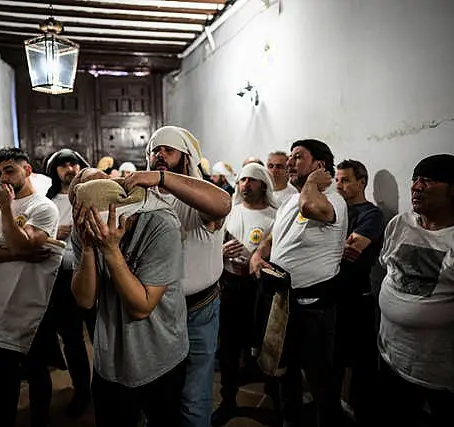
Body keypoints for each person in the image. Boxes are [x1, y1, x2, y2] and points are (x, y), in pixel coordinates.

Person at [377, 154, 454, 427]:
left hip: (450, 377)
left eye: (428, 179)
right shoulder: (399, 224)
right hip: (393, 360)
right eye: (415, 178)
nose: (416, 186)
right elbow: (389, 269)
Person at [125, 125, 232, 427]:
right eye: (155, 151)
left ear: (186, 158)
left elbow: (222, 204)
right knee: (155, 389)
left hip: (197, 310)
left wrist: (161, 178)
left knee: (194, 396)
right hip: (155, 312)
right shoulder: (143, 201)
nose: (159, 156)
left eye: (167, 151)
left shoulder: (199, 198)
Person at [71, 176, 189, 427]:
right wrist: (89, 248)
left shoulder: (161, 226)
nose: (100, 229)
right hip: (111, 357)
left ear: (129, 213)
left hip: (159, 354)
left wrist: (111, 250)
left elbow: (141, 307)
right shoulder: (85, 225)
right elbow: (84, 300)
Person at [250, 139, 347, 427]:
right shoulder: (290, 199)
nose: (290, 163)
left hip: (313, 306)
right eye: (290, 157)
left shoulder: (333, 200)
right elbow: (274, 235)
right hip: (283, 299)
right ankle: (290, 420)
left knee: (319, 377)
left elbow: (310, 207)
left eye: (297, 158)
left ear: (319, 165)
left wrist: (314, 182)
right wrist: (258, 253)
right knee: (284, 368)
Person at [0, 148, 62, 427]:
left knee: (36, 370)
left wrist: (7, 209)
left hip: (33, 300)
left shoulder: (43, 207)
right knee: (1, 374)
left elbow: (22, 242)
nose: (3, 178)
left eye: (9, 170)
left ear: (28, 170)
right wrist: (14, 254)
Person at [212, 163, 278, 426]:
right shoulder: (230, 211)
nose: (245, 185)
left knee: (265, 344)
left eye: (252, 180)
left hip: (261, 288)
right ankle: (228, 400)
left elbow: (280, 247)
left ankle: (273, 398)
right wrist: (222, 252)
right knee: (228, 346)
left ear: (263, 184)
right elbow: (213, 243)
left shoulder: (276, 214)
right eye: (242, 180)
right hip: (231, 286)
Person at [333, 160, 384, 426]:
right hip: (333, 296)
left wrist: (323, 249)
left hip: (357, 297)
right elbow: (337, 250)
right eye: (338, 180)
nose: (339, 185)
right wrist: (333, 249)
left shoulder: (371, 214)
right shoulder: (333, 210)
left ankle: (361, 413)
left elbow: (355, 248)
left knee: (362, 362)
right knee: (334, 358)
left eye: (346, 180)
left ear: (361, 182)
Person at [44, 148, 94, 418]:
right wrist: (54, 232)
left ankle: (108, 385)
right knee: (72, 339)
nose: (69, 169)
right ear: (54, 171)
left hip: (93, 273)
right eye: (62, 166)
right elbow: (36, 235)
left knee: (103, 334)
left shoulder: (91, 193)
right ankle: (82, 390)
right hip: (61, 278)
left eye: (73, 163)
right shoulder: (47, 200)